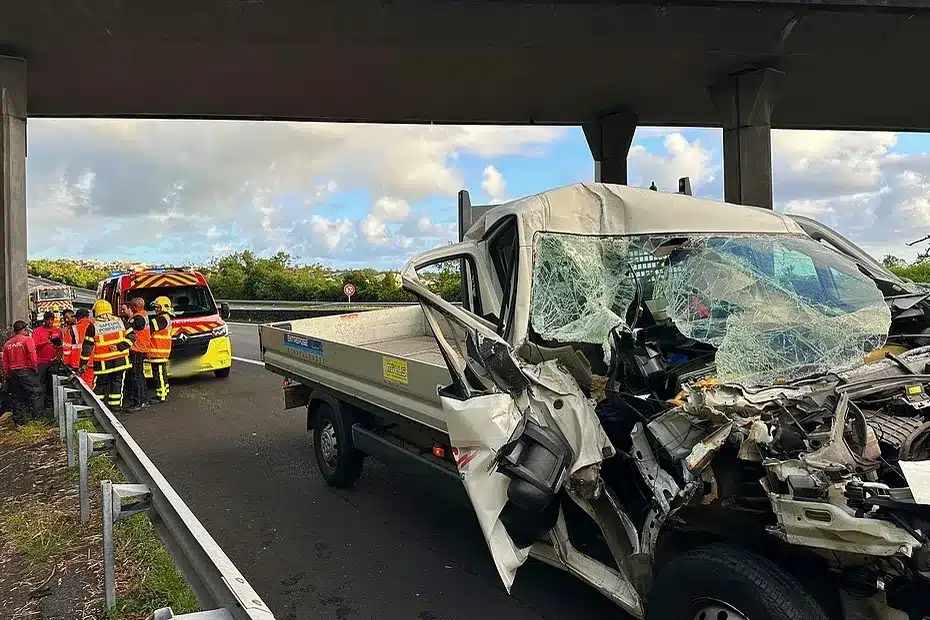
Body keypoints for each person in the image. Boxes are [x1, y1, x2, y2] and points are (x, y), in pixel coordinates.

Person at [78, 300, 135, 411]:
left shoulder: (93, 326)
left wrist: (83, 363)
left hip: (103, 364)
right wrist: (120, 346)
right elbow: (132, 337)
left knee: (100, 385)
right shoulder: (121, 322)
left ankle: (99, 409)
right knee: (117, 384)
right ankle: (115, 408)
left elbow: (87, 348)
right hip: (121, 361)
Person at [3, 320, 42, 425]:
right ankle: (37, 419)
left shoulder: (7, 344)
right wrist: (35, 369)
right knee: (36, 392)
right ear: (24, 329)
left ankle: (18, 421)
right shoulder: (28, 340)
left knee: (17, 397)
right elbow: (32, 356)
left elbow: (5, 363)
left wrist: (7, 376)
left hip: (13, 373)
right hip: (26, 371)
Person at [31, 310, 63, 412]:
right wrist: (46, 342)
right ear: (44, 320)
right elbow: (34, 345)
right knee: (40, 385)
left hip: (54, 362)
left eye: (51, 320)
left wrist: (58, 347)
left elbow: (61, 346)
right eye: (48, 320)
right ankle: (40, 408)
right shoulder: (37, 331)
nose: (50, 322)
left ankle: (51, 407)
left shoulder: (58, 331)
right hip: (41, 362)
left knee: (52, 386)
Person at [125, 297, 151, 411]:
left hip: (137, 349)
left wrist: (127, 319)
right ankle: (143, 400)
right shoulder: (144, 314)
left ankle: (139, 402)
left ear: (135, 307)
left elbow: (129, 328)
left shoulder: (138, 318)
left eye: (131, 306)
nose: (130, 308)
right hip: (141, 349)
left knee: (136, 377)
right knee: (140, 375)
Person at [148, 296, 174, 403]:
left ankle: (161, 396)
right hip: (160, 351)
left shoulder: (162, 319)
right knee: (161, 373)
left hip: (158, 351)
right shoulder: (165, 318)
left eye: (157, 307)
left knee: (158, 374)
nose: (156, 309)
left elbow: (149, 326)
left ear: (164, 307)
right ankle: (165, 391)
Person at [73, 309, 95, 387]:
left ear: (78, 318)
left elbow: (67, 349)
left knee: (84, 385)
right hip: (96, 360)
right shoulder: (95, 326)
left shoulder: (74, 329)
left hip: (80, 362)